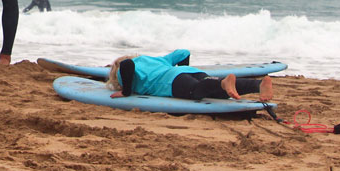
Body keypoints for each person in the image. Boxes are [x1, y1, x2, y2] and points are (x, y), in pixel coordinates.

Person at [106, 49, 273, 101]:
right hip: (188, 72)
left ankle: (223, 83)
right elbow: (183, 52)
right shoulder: (156, 60)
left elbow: (127, 65)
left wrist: (126, 91)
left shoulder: (126, 69)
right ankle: (258, 85)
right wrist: (183, 70)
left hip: (171, 81)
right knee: (219, 93)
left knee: (195, 91)